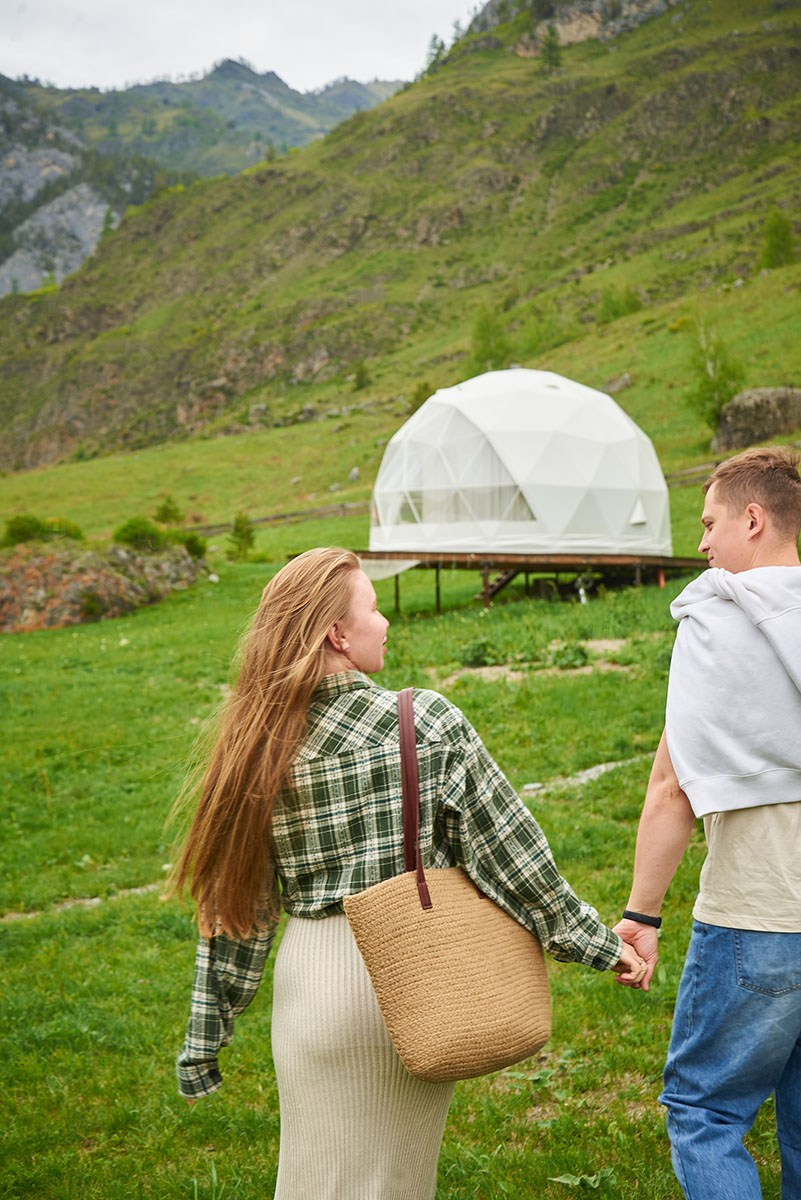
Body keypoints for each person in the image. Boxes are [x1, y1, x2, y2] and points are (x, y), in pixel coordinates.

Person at [172, 546, 646, 1199]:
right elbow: (514, 862)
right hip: (405, 977)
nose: (385, 622)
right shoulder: (423, 721)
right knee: (390, 1184)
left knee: (312, 1179)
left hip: (309, 987)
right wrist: (598, 945)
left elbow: (237, 911)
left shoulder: (256, 742)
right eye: (372, 608)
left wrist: (206, 1034)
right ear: (338, 632)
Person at [614, 447, 801, 1200]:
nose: (700, 544)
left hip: (757, 910)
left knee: (704, 1109)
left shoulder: (713, 620)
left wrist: (640, 915)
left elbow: (669, 790)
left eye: (709, 522)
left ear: (751, 521)